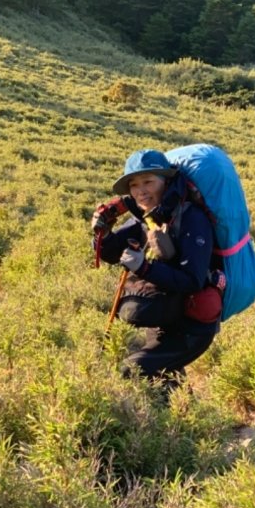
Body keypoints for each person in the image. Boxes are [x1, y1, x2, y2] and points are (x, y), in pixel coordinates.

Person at [91, 148, 221, 388]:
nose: (141, 190)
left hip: (191, 329)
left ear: (167, 181)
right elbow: (111, 253)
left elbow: (192, 280)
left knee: (131, 371)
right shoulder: (147, 218)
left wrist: (143, 268)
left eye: (148, 181)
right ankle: (184, 420)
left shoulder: (192, 219)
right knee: (164, 383)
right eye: (134, 184)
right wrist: (103, 233)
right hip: (165, 319)